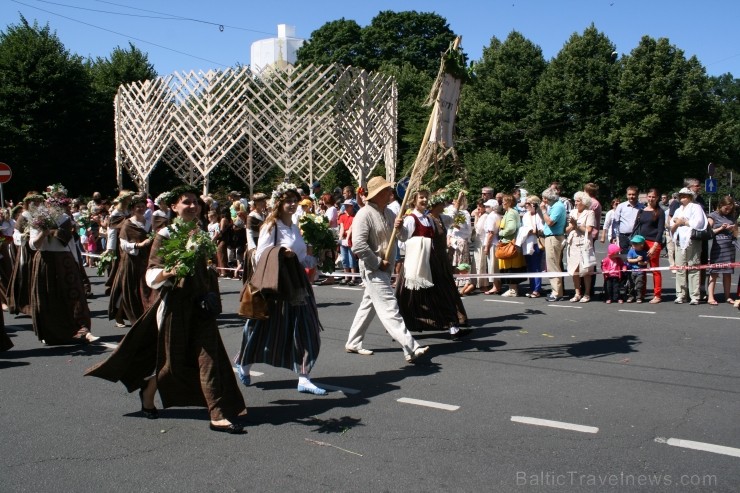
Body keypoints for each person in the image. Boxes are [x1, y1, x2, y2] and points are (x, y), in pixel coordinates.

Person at [86, 185, 247, 434]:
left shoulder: (201, 232)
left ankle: (217, 413)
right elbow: (151, 274)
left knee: (209, 358)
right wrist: (170, 272)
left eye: (196, 202)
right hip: (174, 306)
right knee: (173, 364)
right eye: (186, 202)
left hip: (200, 305)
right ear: (174, 207)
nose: (193, 206)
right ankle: (148, 389)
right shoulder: (166, 234)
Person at [235, 183, 327, 396]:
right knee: (262, 328)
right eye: (288, 201)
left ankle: (304, 377)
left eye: (295, 200)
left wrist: (313, 257)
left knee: (306, 327)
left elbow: (301, 256)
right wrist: (280, 253)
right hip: (277, 285)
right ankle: (244, 361)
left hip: (297, 283)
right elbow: (259, 256)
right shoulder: (271, 226)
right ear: (279, 203)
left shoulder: (295, 226)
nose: (293, 204)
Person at [345, 177, 429, 362]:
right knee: (390, 307)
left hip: (385, 267)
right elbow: (358, 245)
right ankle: (410, 347)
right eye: (385, 191)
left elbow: (404, 237)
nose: (390, 193)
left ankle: (353, 342)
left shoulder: (390, 213)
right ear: (376, 195)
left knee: (369, 305)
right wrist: (376, 262)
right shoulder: (364, 214)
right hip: (372, 268)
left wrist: (400, 228)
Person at [395, 189, 469, 340]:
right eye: (421, 197)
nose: (424, 200)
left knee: (442, 293)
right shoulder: (411, 218)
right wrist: (399, 228)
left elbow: (437, 236)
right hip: (416, 262)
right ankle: (399, 329)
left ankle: (453, 328)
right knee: (407, 297)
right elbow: (402, 238)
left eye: (425, 197)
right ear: (414, 200)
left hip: (431, 261)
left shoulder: (429, 219)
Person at [29, 189, 99, 345]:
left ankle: (83, 330)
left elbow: (70, 244)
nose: (58, 208)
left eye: (61, 205)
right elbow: (33, 245)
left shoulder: (66, 219)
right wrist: (44, 233)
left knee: (75, 294)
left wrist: (76, 262)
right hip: (46, 261)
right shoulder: (39, 219)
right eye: (55, 205)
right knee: (49, 296)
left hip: (65, 260)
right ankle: (51, 333)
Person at [107, 194, 155, 326]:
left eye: (143, 206)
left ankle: (143, 314)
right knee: (128, 289)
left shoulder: (148, 223)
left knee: (144, 288)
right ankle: (119, 315)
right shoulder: (128, 224)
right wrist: (138, 245)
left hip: (144, 260)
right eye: (138, 206)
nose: (140, 208)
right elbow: (123, 244)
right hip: (131, 261)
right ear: (133, 209)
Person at [670, 187, 708, 305]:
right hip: (679, 240)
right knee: (680, 268)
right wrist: (678, 223)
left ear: (690, 197)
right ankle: (681, 294)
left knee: (693, 267)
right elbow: (672, 225)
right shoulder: (678, 209)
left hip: (692, 239)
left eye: (685, 196)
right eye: (681, 196)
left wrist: (683, 222)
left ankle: (694, 296)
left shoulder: (696, 207)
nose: (682, 198)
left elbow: (698, 223)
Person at [633, 189, 666, 303]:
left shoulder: (660, 212)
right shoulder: (641, 211)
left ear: (657, 198)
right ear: (647, 197)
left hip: (653, 243)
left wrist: (654, 246)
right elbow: (636, 227)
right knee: (641, 269)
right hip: (641, 242)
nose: (651, 199)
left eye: (654, 197)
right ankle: (641, 294)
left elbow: (660, 231)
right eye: (650, 196)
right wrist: (634, 243)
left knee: (655, 269)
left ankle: (657, 295)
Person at [565, 192, 596, 302]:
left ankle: (587, 293)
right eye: (575, 200)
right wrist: (572, 226)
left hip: (584, 244)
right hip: (573, 243)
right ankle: (577, 293)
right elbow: (567, 229)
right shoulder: (572, 212)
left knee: (586, 270)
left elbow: (589, 230)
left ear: (584, 202)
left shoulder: (589, 213)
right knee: (574, 269)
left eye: (578, 201)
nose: (576, 202)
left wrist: (576, 224)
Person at [707, 195, 736, 305]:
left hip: (729, 247)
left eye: (730, 208)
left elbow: (736, 233)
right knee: (714, 272)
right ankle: (710, 297)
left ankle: (727, 296)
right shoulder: (713, 215)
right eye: (726, 208)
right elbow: (709, 232)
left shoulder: (732, 216)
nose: (728, 211)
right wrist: (721, 228)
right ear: (721, 205)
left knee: (727, 273)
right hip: (717, 247)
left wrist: (733, 229)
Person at [540, 187, 567, 302]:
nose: (543, 200)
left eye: (544, 198)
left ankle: (556, 292)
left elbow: (550, 222)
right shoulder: (554, 206)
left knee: (553, 265)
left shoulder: (558, 207)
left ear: (547, 198)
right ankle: (557, 290)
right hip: (551, 237)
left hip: (554, 237)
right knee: (554, 264)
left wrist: (544, 211)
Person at [498, 194, 525, 297]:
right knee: (509, 267)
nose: (502, 203)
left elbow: (511, 228)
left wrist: (500, 233)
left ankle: (513, 289)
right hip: (509, 243)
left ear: (508, 202)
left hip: (509, 244)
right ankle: (512, 289)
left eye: (504, 201)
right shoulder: (509, 212)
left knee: (511, 267)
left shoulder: (510, 213)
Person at [521, 196, 545, 298]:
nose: (526, 205)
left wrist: (533, 231)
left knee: (536, 267)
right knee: (530, 266)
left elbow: (542, 229)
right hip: (527, 243)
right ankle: (532, 288)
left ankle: (537, 289)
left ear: (534, 204)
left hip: (536, 243)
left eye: (528, 203)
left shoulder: (539, 214)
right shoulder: (525, 215)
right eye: (526, 203)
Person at [612, 186, 643, 253]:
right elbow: (615, 222)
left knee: (636, 255)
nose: (631, 196)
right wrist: (614, 236)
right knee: (624, 256)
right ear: (626, 195)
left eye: (633, 194)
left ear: (637, 195)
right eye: (629, 194)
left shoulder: (642, 207)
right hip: (623, 236)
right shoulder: (621, 206)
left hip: (636, 236)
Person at [482, 199, 502, 295]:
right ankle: (497, 285)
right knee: (494, 265)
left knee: (492, 265)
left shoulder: (491, 217)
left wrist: (487, 247)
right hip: (496, 242)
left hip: (492, 243)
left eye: (487, 206)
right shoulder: (497, 215)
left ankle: (495, 286)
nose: (486, 208)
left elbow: (490, 233)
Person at [337, 199, 358, 285]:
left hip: (351, 239)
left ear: (352, 207)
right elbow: (342, 228)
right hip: (345, 239)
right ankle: (346, 277)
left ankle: (353, 278)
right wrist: (340, 239)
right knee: (344, 259)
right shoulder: (342, 216)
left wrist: (347, 239)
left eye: (347, 205)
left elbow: (351, 229)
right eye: (344, 205)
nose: (345, 207)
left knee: (351, 258)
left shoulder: (355, 216)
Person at [624, 235, 649, 303]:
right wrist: (636, 260)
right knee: (630, 284)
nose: (634, 245)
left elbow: (646, 261)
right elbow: (629, 260)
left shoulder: (644, 252)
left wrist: (642, 263)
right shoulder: (631, 251)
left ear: (641, 244)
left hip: (640, 271)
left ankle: (639, 297)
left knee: (639, 284)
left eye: (636, 243)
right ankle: (631, 296)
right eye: (633, 243)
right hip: (632, 271)